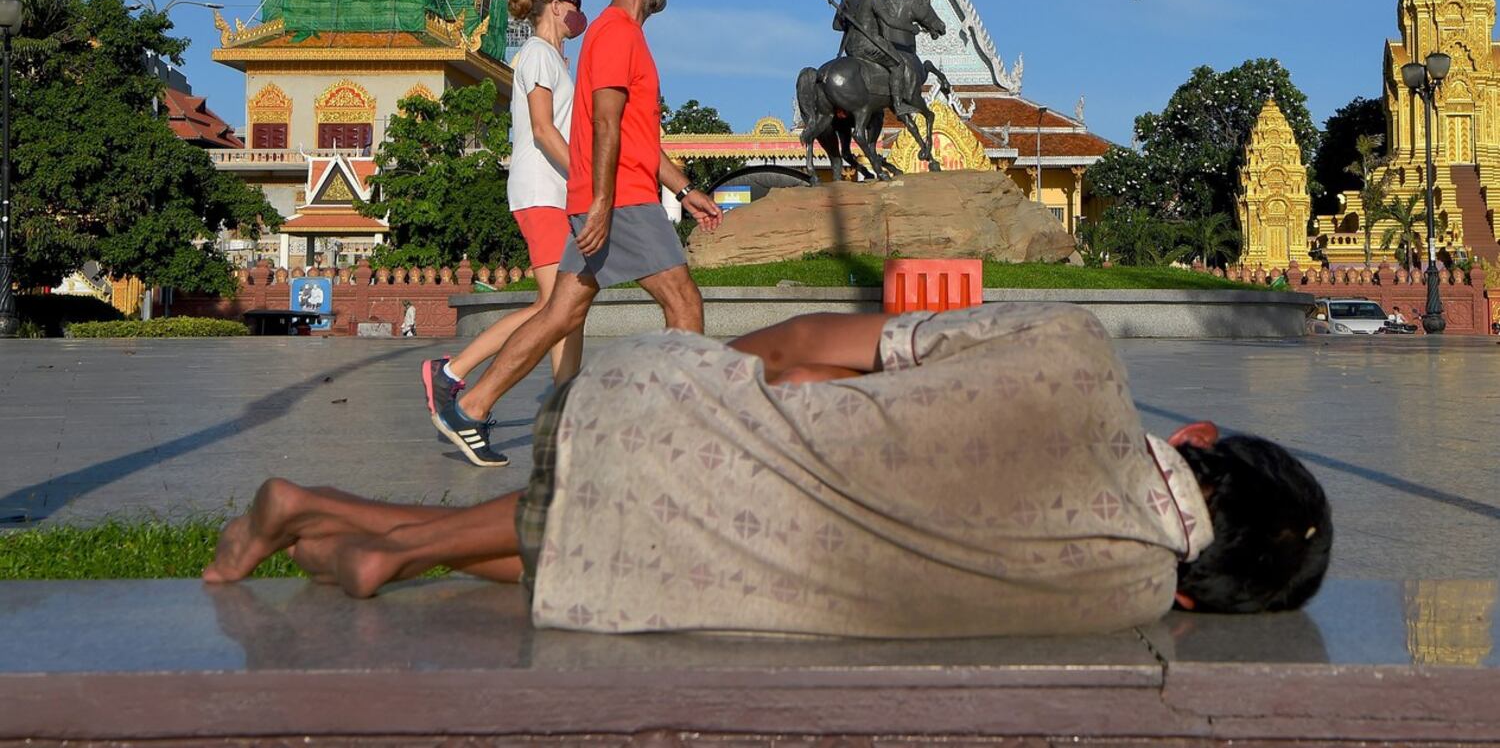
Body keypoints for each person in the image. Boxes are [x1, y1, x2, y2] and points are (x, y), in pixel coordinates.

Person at [204, 302, 1332, 638]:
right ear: (1199, 589)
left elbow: (800, 346)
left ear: (1200, 438)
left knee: (681, 463)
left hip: (660, 439)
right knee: (690, 528)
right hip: (714, 566)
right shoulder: (1124, 589)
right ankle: (356, 534)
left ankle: (357, 531)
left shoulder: (1077, 348)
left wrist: (689, 372)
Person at [428, 0, 722, 468]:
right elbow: (605, 123)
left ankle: (469, 407)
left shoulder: (616, 36)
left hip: (612, 193)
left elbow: (635, 136)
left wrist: (685, 188)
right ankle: (681, 426)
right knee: (683, 303)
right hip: (623, 199)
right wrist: (605, 201)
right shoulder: (615, 34)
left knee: (560, 312)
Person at [421, 0, 588, 465]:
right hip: (543, 192)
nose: (582, 10)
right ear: (556, 4)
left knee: (562, 308)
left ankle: (562, 408)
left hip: (554, 193)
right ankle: (457, 377)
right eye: (577, 0)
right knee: (560, 308)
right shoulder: (537, 54)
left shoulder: (552, 57)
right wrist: (586, 178)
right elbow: (541, 130)